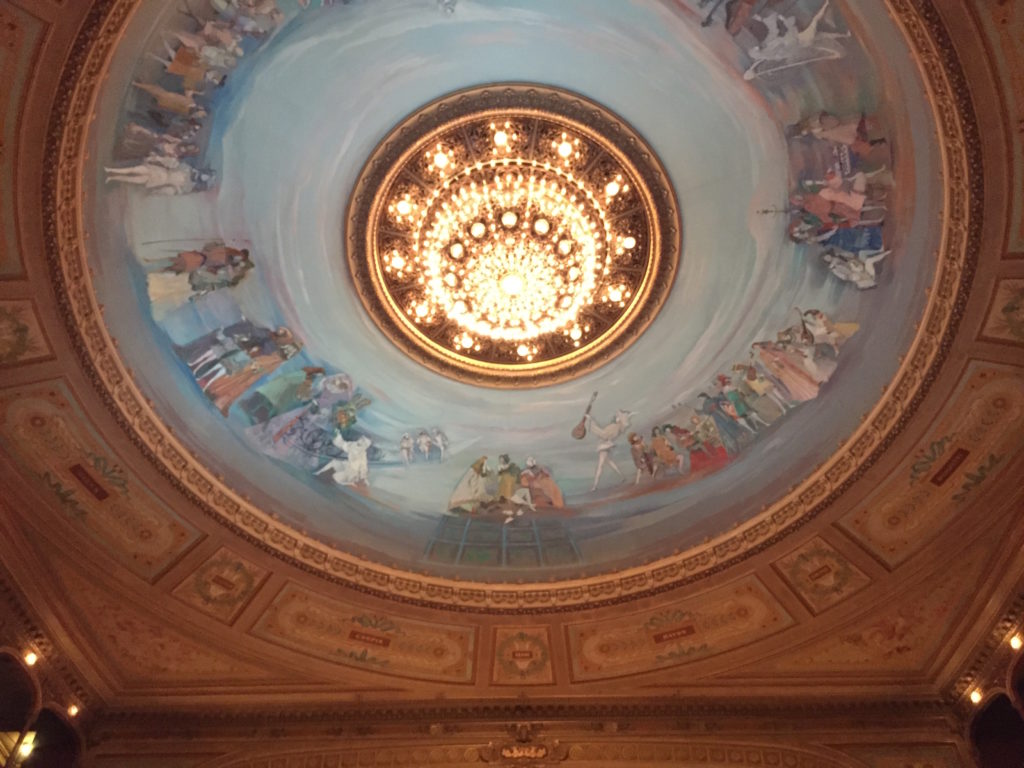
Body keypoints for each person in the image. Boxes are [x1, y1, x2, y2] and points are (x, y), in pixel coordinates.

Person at [584, 409, 632, 491]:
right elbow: (604, 434)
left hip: (604, 445)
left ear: (618, 419)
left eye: (617, 417)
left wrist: (590, 420)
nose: (616, 417)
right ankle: (622, 476)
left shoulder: (614, 427)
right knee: (609, 462)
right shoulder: (617, 427)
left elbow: (603, 434)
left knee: (600, 465)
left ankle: (594, 486)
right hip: (605, 445)